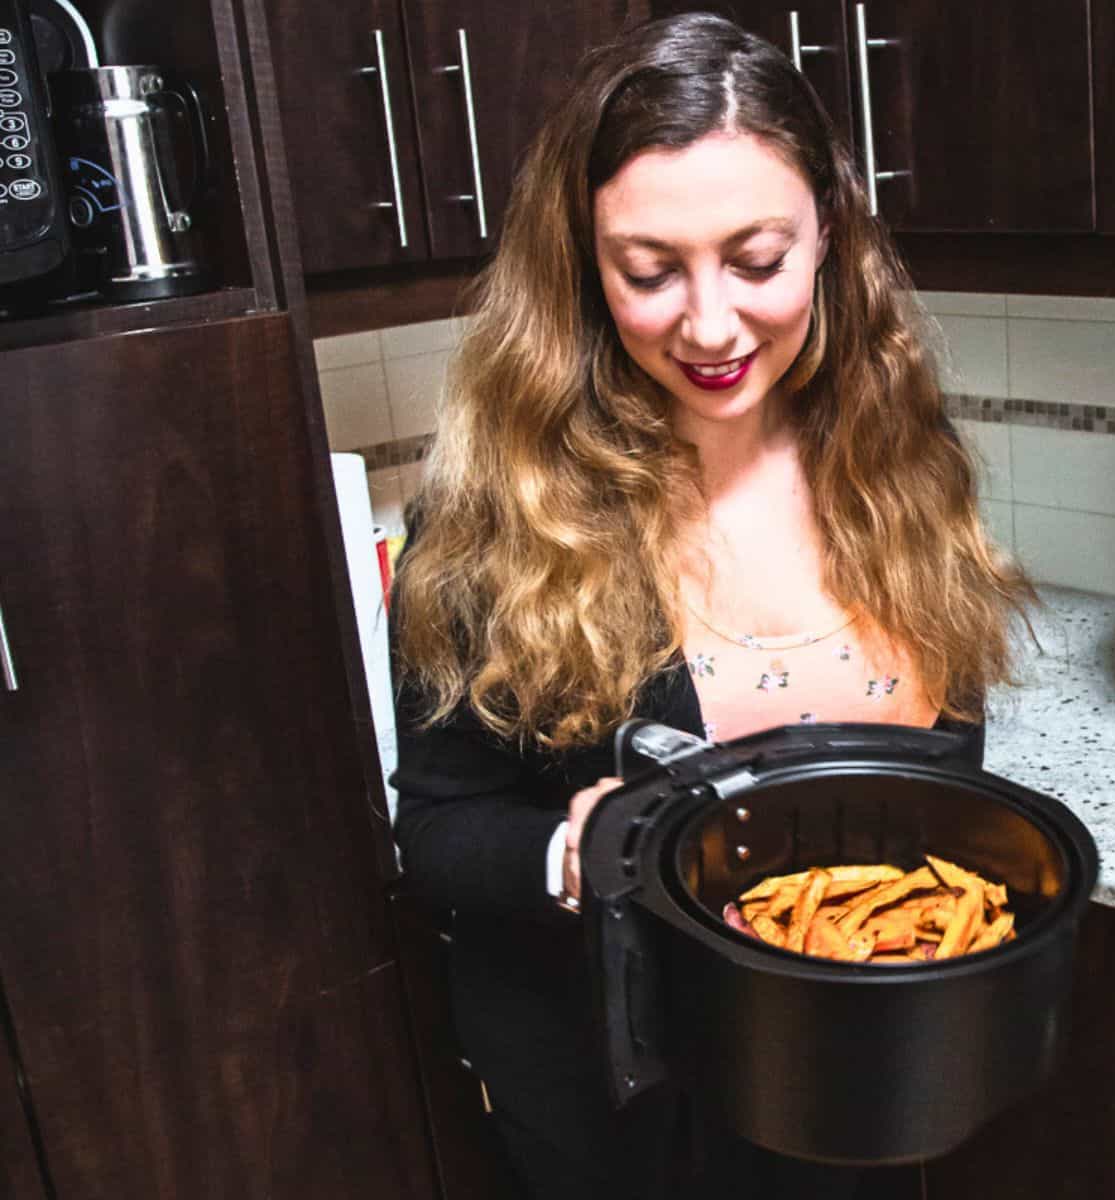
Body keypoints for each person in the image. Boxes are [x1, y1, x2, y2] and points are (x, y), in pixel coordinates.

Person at [388, 12, 1033, 1199]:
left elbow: (944, 768)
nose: (711, 323)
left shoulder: (899, 463)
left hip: (852, 1091)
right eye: (649, 271)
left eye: (757, 259)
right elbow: (434, 831)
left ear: (827, 233)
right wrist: (571, 853)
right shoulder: (499, 516)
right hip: (623, 1114)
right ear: (586, 264)